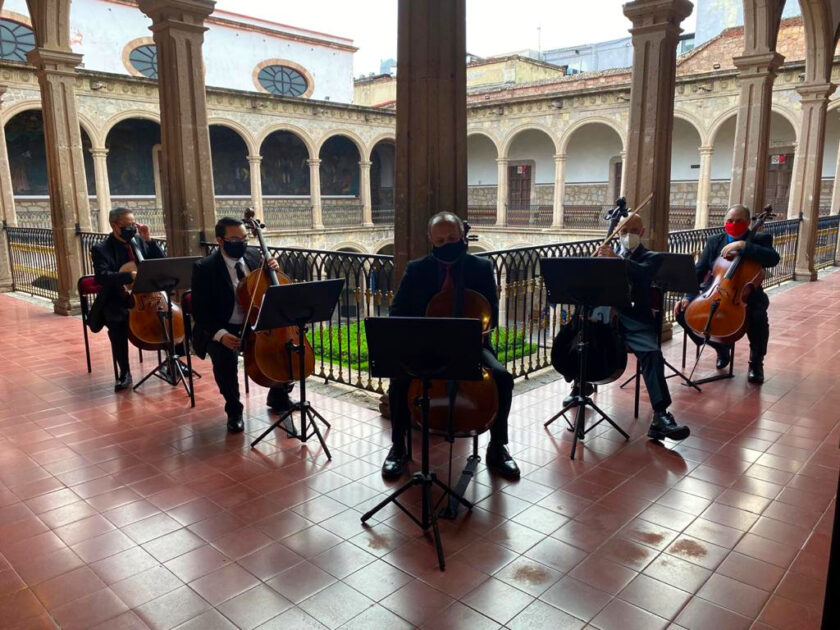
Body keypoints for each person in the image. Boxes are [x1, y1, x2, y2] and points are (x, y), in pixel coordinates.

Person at [381, 212, 520, 480]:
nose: (447, 244)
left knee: (502, 378)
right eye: (440, 240)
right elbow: (397, 311)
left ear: (463, 236)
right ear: (430, 240)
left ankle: (498, 447)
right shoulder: (416, 269)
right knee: (399, 381)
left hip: (471, 346)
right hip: (425, 347)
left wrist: (477, 326)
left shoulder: (480, 268)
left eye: (453, 238)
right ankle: (398, 448)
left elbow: (492, 313)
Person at [590, 214, 691, 442]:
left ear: (642, 232)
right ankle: (579, 387)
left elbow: (643, 274)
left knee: (652, 354)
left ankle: (660, 416)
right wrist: (594, 263)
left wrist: (617, 260)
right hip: (605, 318)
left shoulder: (650, 258)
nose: (627, 236)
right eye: (623, 232)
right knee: (584, 338)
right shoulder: (605, 254)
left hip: (634, 321)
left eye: (632, 231)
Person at [191, 217, 293, 433]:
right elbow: (200, 312)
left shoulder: (255, 256)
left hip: (254, 324)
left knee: (286, 345)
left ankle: (279, 394)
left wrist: (274, 268)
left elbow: (272, 288)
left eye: (245, 238)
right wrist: (220, 335)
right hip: (223, 326)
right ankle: (234, 410)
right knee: (224, 359)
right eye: (235, 239)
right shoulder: (204, 268)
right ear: (220, 240)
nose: (242, 243)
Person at [675, 204, 779, 384]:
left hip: (746, 297)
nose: (733, 224)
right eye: (730, 221)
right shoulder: (715, 240)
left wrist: (745, 245)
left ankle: (756, 363)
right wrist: (687, 296)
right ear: (724, 222)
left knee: (759, 318)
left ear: (747, 223)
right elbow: (699, 271)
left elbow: (773, 259)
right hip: (714, 292)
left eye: (739, 221)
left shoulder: (760, 239)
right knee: (683, 313)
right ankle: (721, 348)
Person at [90, 207, 164, 391]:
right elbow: (102, 276)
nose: (133, 227)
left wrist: (149, 240)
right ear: (115, 226)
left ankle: (172, 363)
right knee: (117, 324)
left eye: (134, 223)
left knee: (166, 316)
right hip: (118, 298)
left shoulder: (138, 241)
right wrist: (128, 276)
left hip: (146, 296)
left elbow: (160, 262)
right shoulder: (102, 249)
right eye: (128, 225)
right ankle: (125, 372)